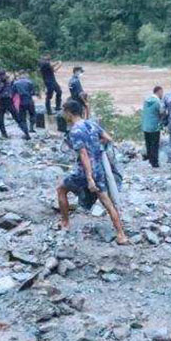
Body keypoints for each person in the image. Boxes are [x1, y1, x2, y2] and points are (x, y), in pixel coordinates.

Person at [55, 100, 129, 244]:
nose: (64, 115)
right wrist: (95, 146)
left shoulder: (75, 131)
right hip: (99, 168)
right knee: (107, 202)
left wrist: (89, 178)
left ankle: (65, 222)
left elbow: (83, 155)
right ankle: (121, 235)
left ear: (69, 112)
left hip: (85, 171)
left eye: (65, 112)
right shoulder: (91, 124)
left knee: (61, 189)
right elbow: (108, 138)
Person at [0, 70, 28, 139]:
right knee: (0, 119)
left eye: (3, 75)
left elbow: (15, 91)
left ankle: (26, 133)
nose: (2, 77)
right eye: (0, 75)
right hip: (1, 101)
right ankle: (4, 134)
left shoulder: (10, 82)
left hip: (8, 101)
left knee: (17, 118)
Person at [141, 86, 164, 168]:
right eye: (162, 92)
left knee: (148, 144)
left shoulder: (146, 100)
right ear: (159, 91)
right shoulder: (157, 102)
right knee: (155, 144)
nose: (162, 94)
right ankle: (155, 163)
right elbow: (161, 112)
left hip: (145, 125)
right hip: (154, 126)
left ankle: (150, 161)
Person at [13, 73, 38, 139]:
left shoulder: (16, 83)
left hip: (22, 102)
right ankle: (31, 128)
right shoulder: (30, 82)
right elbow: (33, 93)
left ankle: (26, 134)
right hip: (30, 101)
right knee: (32, 114)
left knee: (22, 119)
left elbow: (13, 93)